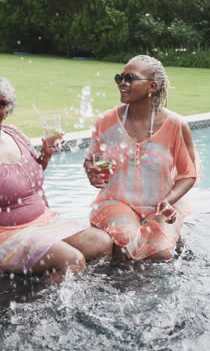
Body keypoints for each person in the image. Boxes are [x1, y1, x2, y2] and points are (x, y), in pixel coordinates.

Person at [84, 55, 199, 261]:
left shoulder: (175, 125)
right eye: (120, 77)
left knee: (162, 254)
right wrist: (92, 172)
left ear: (152, 86)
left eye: (130, 78)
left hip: (159, 204)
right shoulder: (106, 121)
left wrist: (167, 201)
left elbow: (188, 174)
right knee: (127, 242)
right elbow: (91, 160)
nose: (122, 83)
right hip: (116, 202)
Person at [0, 78, 112, 281]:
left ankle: (74, 293)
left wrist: (46, 152)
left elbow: (31, 178)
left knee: (102, 242)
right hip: (8, 233)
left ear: (8, 107)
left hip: (42, 221)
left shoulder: (14, 134)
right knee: (72, 260)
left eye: (1, 103)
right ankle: (38, 308)